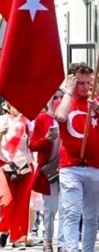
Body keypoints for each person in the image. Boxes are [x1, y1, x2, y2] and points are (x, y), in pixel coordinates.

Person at [54, 62, 99, 252]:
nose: (86, 87)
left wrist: (97, 109)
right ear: (72, 81)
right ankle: (72, 249)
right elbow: (61, 117)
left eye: (89, 83)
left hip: (95, 166)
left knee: (91, 217)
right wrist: (68, 92)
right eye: (81, 83)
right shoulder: (65, 101)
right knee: (72, 213)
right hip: (71, 166)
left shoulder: (95, 102)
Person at [0, 102, 34, 248]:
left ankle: (18, 238)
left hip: (24, 166)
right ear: (9, 106)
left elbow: (33, 145)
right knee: (6, 201)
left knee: (22, 203)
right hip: (4, 165)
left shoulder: (29, 123)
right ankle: (4, 230)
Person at [29, 90, 65, 252]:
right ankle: (47, 241)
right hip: (49, 171)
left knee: (67, 208)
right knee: (50, 209)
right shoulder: (43, 118)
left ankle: (63, 243)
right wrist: (46, 139)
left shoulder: (68, 117)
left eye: (61, 97)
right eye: (55, 97)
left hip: (67, 169)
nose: (58, 100)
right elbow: (33, 145)